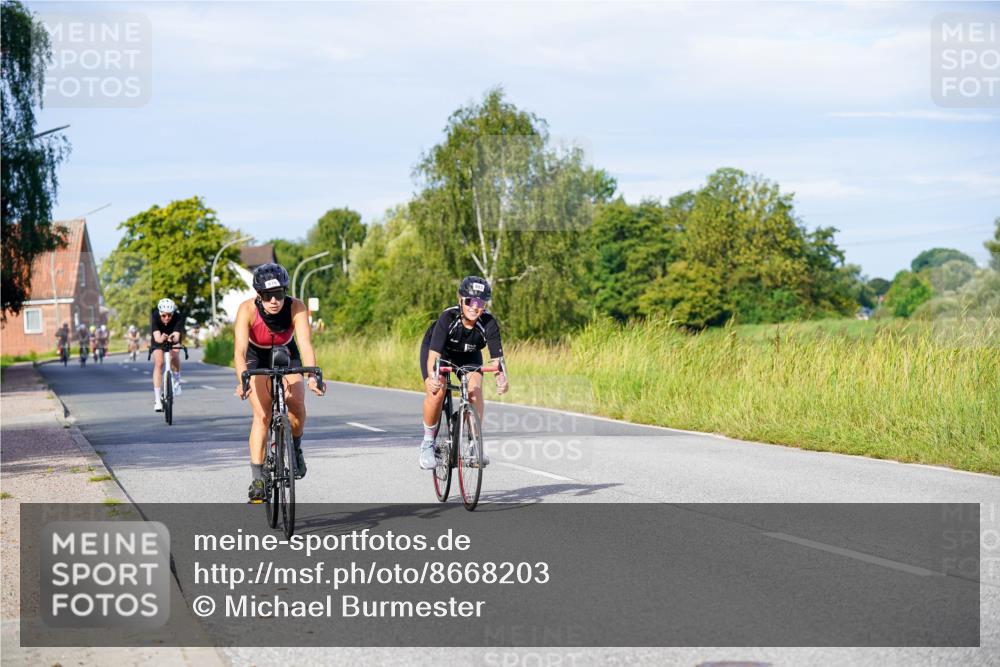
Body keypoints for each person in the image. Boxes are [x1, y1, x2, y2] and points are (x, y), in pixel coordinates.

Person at [233, 263, 325, 502]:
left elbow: (305, 345)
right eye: (267, 296)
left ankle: (295, 448)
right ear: (258, 295)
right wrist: (243, 380)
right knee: (262, 416)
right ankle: (258, 479)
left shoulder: (296, 307)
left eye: (279, 294)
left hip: (286, 351)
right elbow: (239, 352)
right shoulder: (246, 310)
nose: (273, 301)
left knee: (297, 405)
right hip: (257, 356)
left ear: (285, 292)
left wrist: (312, 377)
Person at [418, 275, 509, 470]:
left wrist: (502, 378)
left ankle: (474, 444)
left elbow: (497, 360)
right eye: (470, 301)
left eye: (480, 303)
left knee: (475, 391)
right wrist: (432, 377)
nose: (474, 307)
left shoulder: (488, 323)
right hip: (441, 352)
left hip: (468, 354)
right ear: (460, 299)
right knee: (437, 391)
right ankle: (428, 443)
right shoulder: (448, 318)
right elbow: (433, 356)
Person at [150, 298, 184, 411]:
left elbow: (177, 336)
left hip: (172, 337)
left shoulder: (177, 317)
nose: (167, 318)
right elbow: (157, 338)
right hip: (159, 338)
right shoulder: (155, 316)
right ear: (160, 313)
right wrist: (162, 338)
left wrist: (172, 338)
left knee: (174, 355)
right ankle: (157, 400)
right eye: (164, 315)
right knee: (159, 363)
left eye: (169, 315)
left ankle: (177, 381)